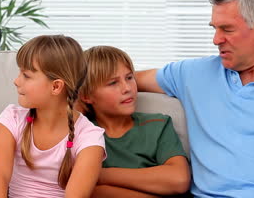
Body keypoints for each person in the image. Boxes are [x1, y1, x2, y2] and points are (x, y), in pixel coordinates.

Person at [135, 0, 254, 197]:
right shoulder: (193, 74)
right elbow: (120, 80)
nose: (216, 39)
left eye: (227, 29)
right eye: (214, 28)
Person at [0, 35, 106, 198]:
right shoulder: (11, 118)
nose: (16, 81)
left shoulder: (90, 138)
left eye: (26, 75)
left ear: (56, 86)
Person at [78, 46, 190, 198]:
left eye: (129, 78)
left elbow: (179, 180)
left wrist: (99, 175)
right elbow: (88, 191)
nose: (127, 88)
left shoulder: (157, 124)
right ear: (86, 96)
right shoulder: (83, 134)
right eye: (112, 83)